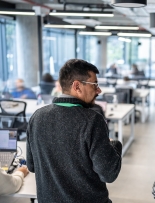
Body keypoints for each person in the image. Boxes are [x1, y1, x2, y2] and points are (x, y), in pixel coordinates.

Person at [26, 59, 122, 203]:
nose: (99, 90)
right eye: (95, 84)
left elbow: (32, 166)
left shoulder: (37, 117)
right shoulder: (92, 120)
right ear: (77, 86)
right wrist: (115, 145)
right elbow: (109, 174)